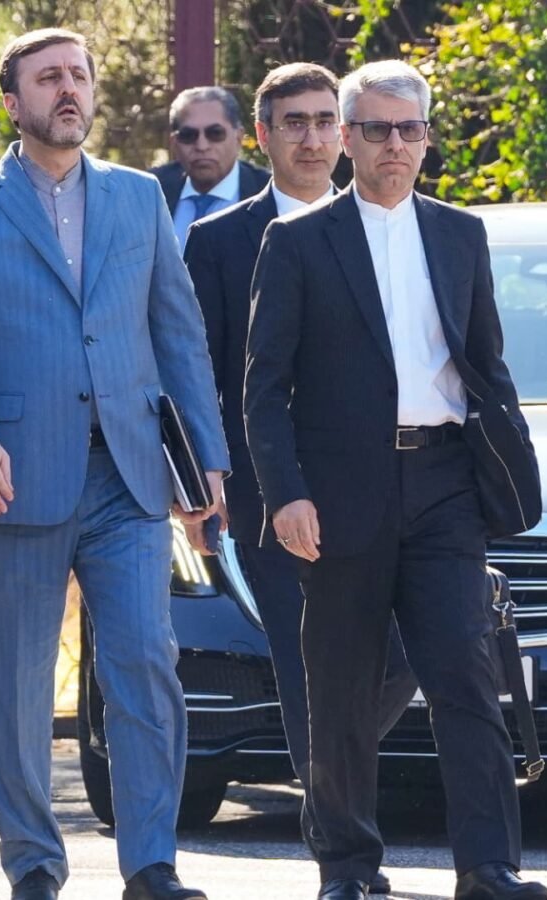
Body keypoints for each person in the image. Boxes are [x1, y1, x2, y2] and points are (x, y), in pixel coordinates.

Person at [0, 27, 228, 900]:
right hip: (12, 472)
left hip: (127, 476)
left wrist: (209, 465)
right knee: (11, 694)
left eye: (79, 76)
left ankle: (151, 863)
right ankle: (34, 866)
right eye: (48, 78)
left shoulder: (137, 199)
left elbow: (178, 333)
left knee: (144, 666)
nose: (69, 90)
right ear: (13, 102)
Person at [244, 60, 547, 900]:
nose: (394, 146)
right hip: (341, 495)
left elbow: (486, 364)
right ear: (345, 140)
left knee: (466, 677)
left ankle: (489, 867)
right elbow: (264, 388)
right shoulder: (299, 240)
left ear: (426, 138)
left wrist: (506, 463)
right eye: (376, 130)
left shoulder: (460, 234)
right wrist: (285, 494)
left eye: (409, 130)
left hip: (445, 484)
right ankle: (346, 867)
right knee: (340, 688)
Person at [181, 62, 419, 897]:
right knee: (308, 667)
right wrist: (203, 481)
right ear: (265, 137)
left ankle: (333, 771)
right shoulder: (219, 243)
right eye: (295, 123)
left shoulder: (397, 227)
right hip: (274, 494)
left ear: (346, 131)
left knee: (402, 657)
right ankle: (338, 854)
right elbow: (200, 370)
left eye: (325, 120)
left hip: (394, 493)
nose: (313, 137)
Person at [149, 85, 269, 248]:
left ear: (239, 137)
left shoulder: (268, 192)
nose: (202, 146)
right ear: (174, 143)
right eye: (188, 135)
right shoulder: (151, 190)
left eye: (215, 133)